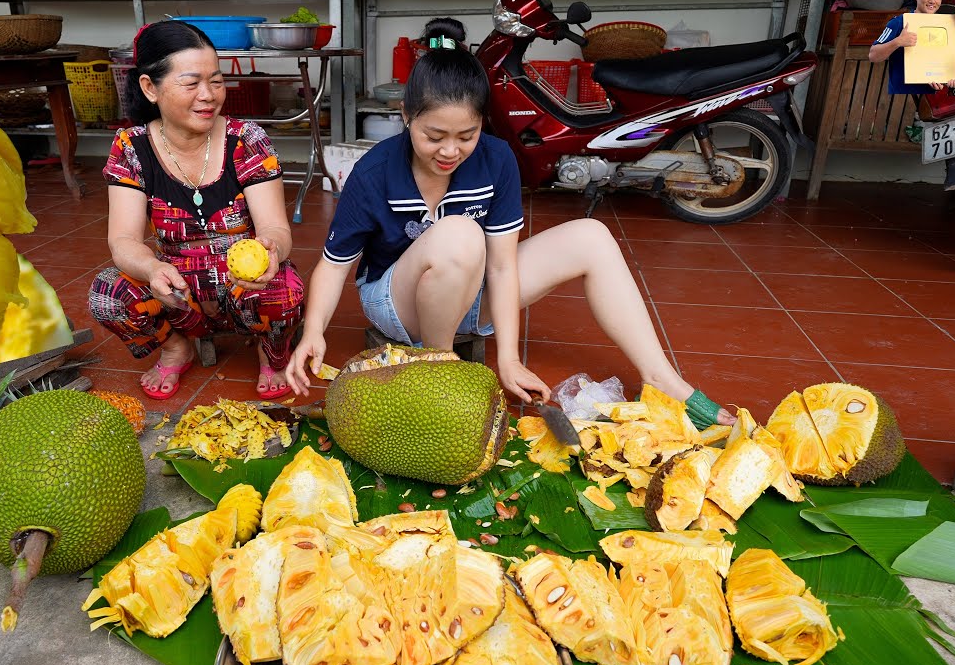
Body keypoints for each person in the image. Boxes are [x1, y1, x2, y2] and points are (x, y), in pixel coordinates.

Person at [283, 22, 735, 429]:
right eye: (433, 136)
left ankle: (661, 378)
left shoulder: (497, 159)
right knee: (459, 234)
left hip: (471, 289)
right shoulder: (375, 171)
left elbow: (501, 268)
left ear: (483, 123)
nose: (449, 151)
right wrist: (314, 332)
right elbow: (334, 266)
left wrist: (510, 359)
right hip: (398, 303)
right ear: (406, 116)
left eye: (466, 136)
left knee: (591, 236)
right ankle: (437, 369)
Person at [90, 21, 304, 401]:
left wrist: (272, 248)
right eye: (191, 83)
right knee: (108, 292)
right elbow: (123, 241)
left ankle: (273, 352)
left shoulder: (246, 139)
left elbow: (275, 227)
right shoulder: (131, 147)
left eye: (217, 81)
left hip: (246, 290)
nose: (208, 95)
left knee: (284, 288)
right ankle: (176, 347)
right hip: (178, 295)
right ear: (149, 87)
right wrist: (153, 268)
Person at [867, 0, 945, 96]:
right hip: (901, 96)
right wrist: (898, 42)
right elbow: (873, 55)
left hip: (930, 97)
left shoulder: (945, 27)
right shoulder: (899, 23)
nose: (933, 1)